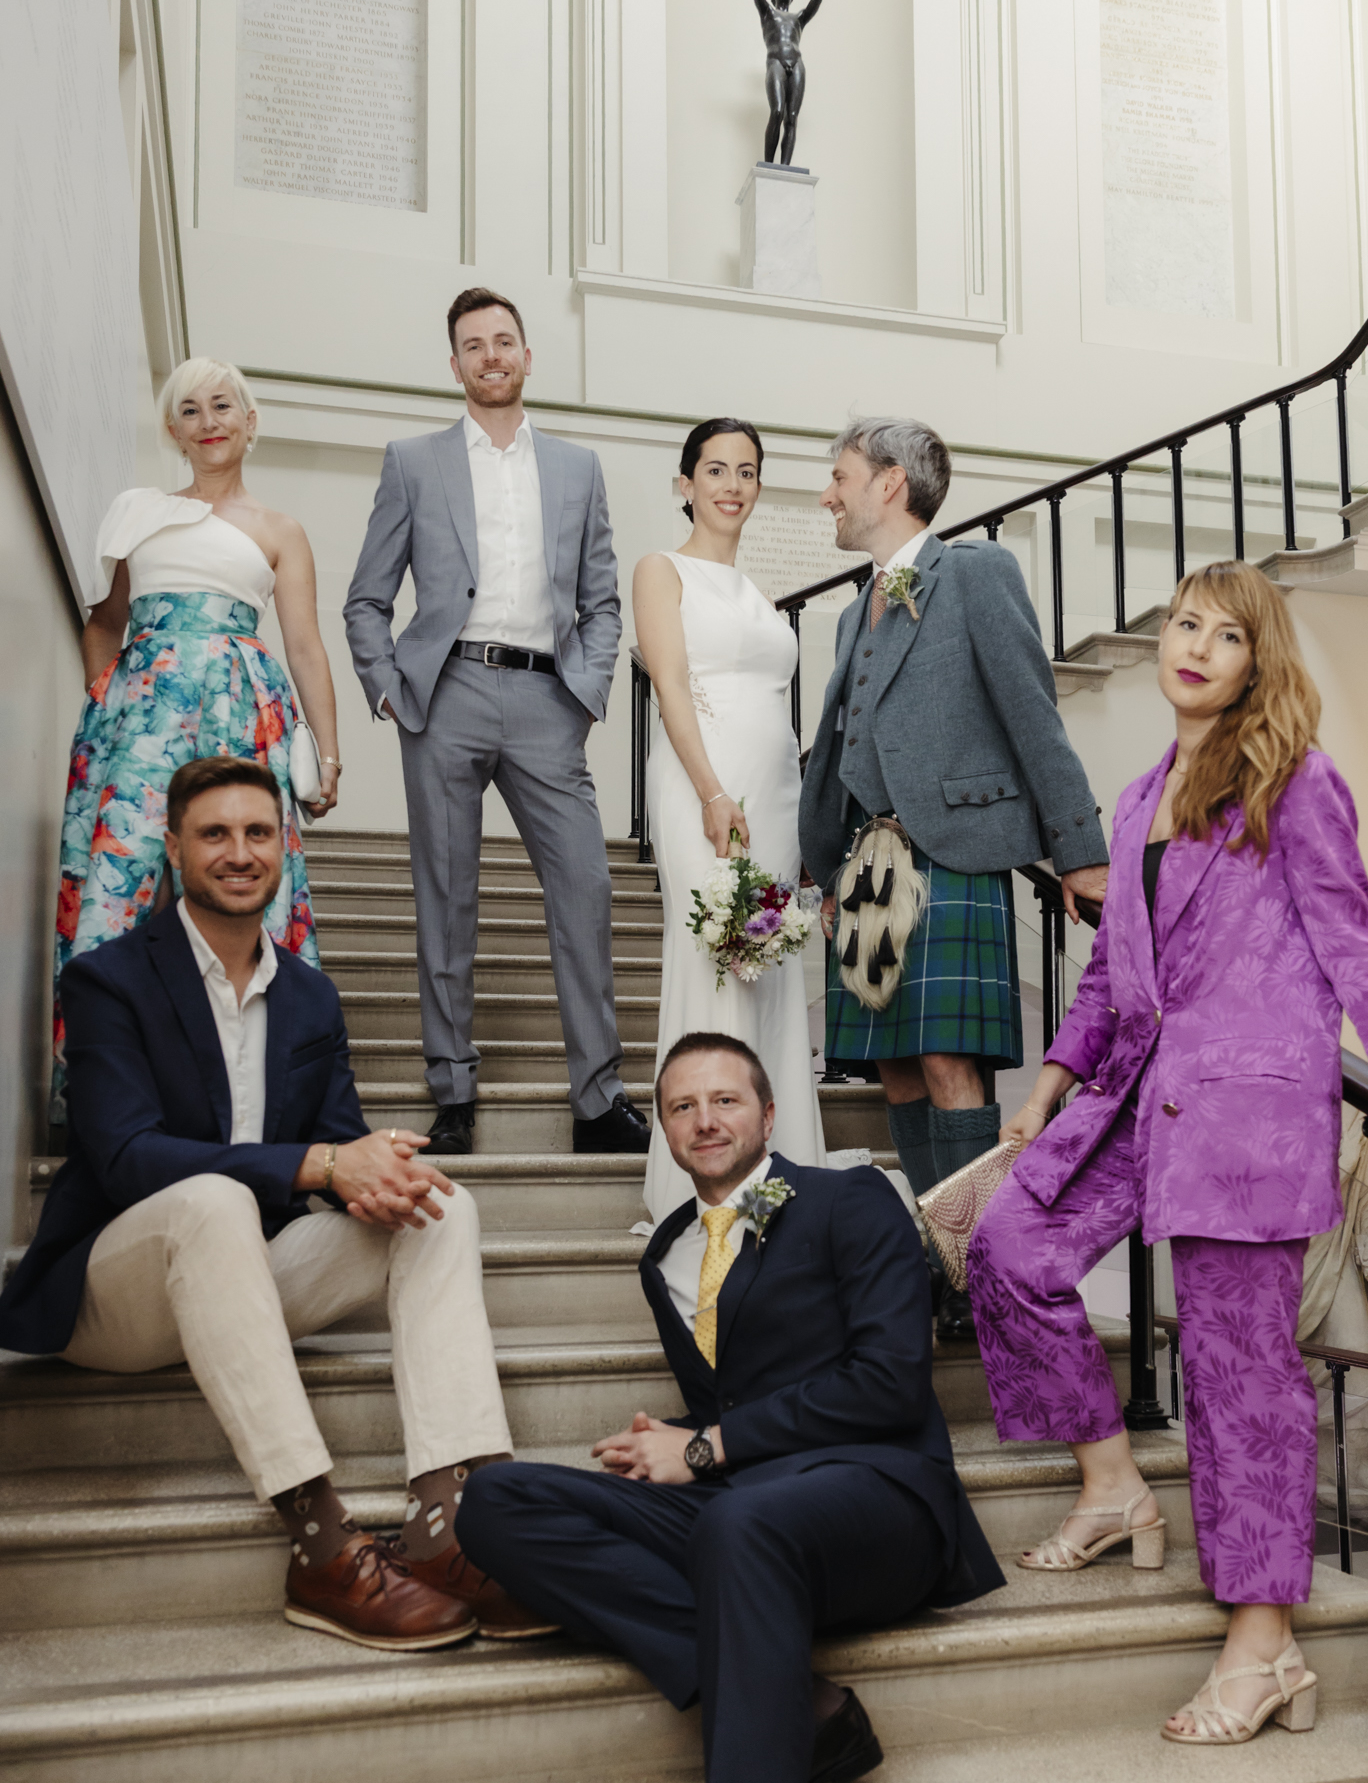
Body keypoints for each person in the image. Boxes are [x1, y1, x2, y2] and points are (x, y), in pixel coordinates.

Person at [967, 562, 1368, 1745]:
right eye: (1185, 623)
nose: (1196, 646)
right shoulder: (1132, 804)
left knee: (1243, 1385)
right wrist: (1051, 1090)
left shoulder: (1296, 782)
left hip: (1248, 1120)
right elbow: (1117, 974)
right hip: (1131, 1096)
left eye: (1228, 635)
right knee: (1011, 1242)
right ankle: (1115, 1479)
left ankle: (1265, 1643)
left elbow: (1356, 946)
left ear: (1255, 664)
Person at [456, 1031, 1004, 1783]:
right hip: (747, 1513)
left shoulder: (853, 1199)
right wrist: (681, 1446)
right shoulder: (662, 1250)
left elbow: (888, 1378)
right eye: (680, 1104)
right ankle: (797, 1710)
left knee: (742, 1524)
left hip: (879, 1502)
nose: (704, 1118)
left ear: (767, 1109)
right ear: (663, 1126)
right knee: (496, 1501)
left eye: (725, 1098)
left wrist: (708, 1444)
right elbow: (728, 1399)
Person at [3, 758, 556, 1650]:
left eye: (258, 833)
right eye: (215, 834)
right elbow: (123, 1155)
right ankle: (319, 1542)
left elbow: (339, 1155)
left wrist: (374, 1168)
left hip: (249, 1280)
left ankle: (451, 1527)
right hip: (118, 1293)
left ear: (282, 847)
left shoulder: (308, 994)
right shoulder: (109, 980)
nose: (238, 852)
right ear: (176, 847)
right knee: (213, 1199)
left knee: (439, 1207)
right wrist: (319, 1164)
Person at [798, 418, 1110, 1341]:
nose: (828, 493)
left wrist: (1077, 849)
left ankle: (981, 1272)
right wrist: (820, 867)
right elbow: (841, 748)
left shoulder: (974, 574)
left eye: (839, 476)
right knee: (892, 1067)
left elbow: (1031, 712)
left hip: (952, 851)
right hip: (868, 868)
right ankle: (940, 1256)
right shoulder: (858, 607)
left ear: (889, 484)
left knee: (945, 1064)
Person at [343, 287, 646, 1160]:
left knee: (585, 891)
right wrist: (391, 688)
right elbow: (367, 598)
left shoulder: (577, 468)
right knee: (448, 896)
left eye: (503, 341)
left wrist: (583, 690)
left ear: (524, 354)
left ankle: (597, 1102)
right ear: (454, 365)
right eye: (471, 345)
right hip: (445, 696)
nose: (489, 356)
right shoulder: (412, 461)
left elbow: (600, 599)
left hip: (546, 700)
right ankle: (452, 1092)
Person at [55, 358, 335, 1105]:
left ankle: (252, 1084)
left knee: (235, 876)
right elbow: (105, 623)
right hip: (139, 722)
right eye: (189, 410)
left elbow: (304, 643)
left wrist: (327, 752)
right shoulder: (138, 509)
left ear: (249, 422)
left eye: (222, 406)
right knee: (128, 883)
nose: (208, 421)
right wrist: (103, 696)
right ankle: (108, 1089)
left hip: (241, 709)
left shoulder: (281, 530)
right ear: (173, 431)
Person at [632, 418, 828, 1219]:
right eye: (714, 469)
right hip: (699, 788)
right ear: (685, 483)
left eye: (746, 471)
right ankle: (701, 1174)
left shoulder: (760, 595)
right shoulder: (661, 569)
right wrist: (712, 792)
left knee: (770, 967)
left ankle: (779, 1168)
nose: (732, 485)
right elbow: (671, 689)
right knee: (713, 956)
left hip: (774, 794)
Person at [751, 0, 823, 167]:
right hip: (775, 62)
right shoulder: (767, 13)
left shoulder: (798, 18)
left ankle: (785, 169)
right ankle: (769, 169)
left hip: (797, 63)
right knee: (777, 111)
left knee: (791, 119)